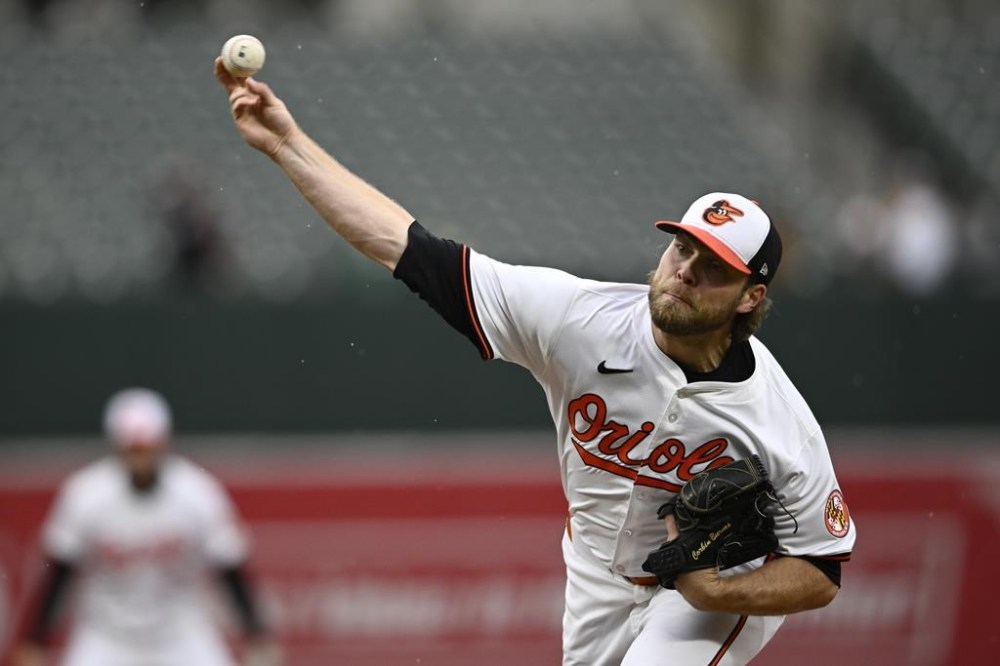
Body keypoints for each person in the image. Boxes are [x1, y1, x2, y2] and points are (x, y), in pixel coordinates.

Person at [214, 57, 857, 665]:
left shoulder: (779, 421)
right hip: (595, 579)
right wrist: (286, 146)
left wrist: (718, 593)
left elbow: (822, 570)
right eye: (681, 250)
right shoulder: (579, 321)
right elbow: (407, 250)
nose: (684, 272)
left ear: (751, 296)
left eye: (712, 268)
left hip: (711, 593)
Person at [13, 388, 281, 666]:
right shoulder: (86, 495)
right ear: (117, 446)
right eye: (134, 449)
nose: (141, 458)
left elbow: (231, 570)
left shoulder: (197, 493)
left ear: (163, 443)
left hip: (181, 631)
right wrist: (35, 640)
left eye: (147, 448)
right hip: (107, 633)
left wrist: (257, 635)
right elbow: (58, 575)